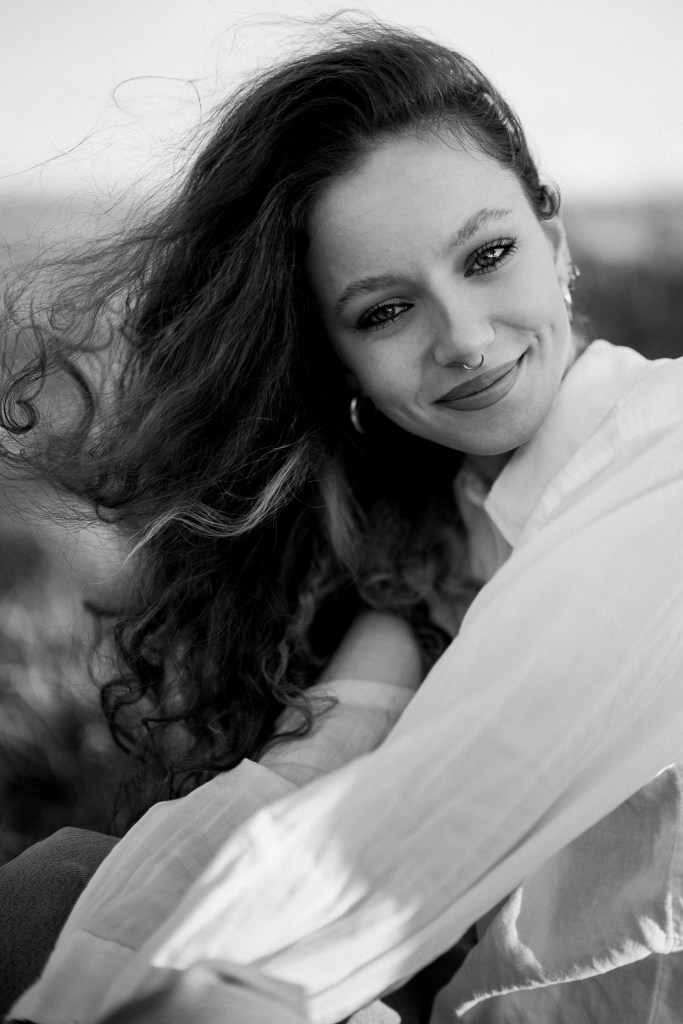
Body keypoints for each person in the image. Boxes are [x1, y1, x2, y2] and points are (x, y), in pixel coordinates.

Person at [3, 21, 683, 1024]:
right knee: (51, 889)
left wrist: (158, 993)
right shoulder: (433, 537)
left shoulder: (663, 462)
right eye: (382, 312)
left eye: (488, 254)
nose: (463, 338)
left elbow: (381, 848)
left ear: (554, 239)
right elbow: (312, 773)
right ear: (334, 358)